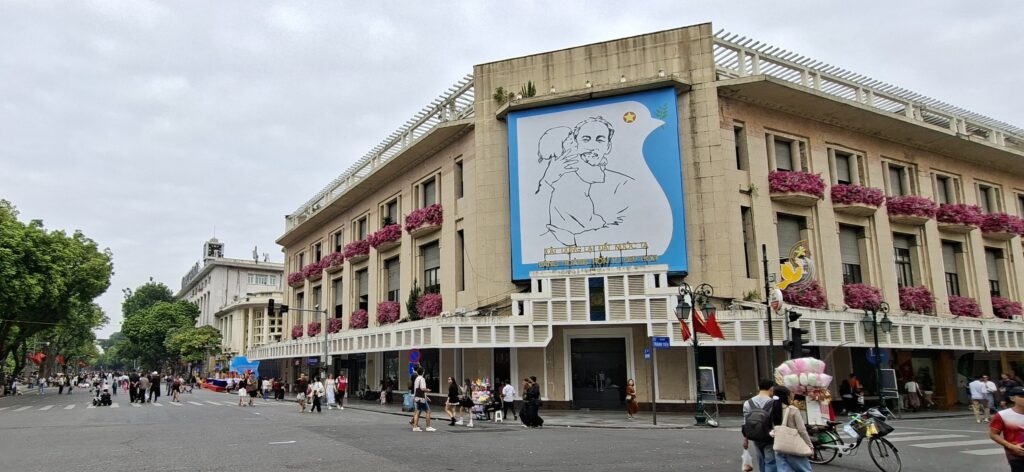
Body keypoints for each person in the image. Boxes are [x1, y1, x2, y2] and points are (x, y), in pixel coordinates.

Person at [770, 385, 813, 472]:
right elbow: (802, 430)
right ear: (786, 396)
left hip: (779, 445)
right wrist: (810, 445)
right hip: (793, 445)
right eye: (790, 393)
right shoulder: (792, 410)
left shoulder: (772, 408)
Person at [743, 379, 776, 472]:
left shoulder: (748, 403)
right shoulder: (774, 403)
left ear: (758, 388)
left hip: (755, 436)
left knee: (761, 461)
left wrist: (745, 439)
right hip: (770, 436)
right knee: (770, 462)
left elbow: (745, 423)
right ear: (771, 389)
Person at [991, 386, 1024, 472]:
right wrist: (1011, 446)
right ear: (1012, 398)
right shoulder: (1003, 415)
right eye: (1022, 396)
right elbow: (993, 434)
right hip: (1017, 455)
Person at [410, 366, 436, 432]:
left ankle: (415, 427)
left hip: (417, 397)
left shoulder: (416, 379)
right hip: (421, 398)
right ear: (423, 372)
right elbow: (422, 388)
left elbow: (416, 389)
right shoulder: (422, 379)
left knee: (417, 412)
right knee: (428, 411)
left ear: (417, 372)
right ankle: (428, 426)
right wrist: (427, 390)